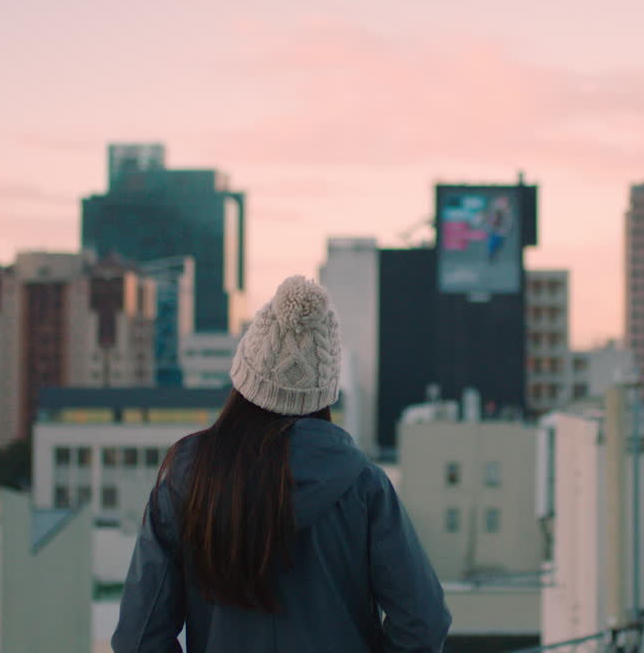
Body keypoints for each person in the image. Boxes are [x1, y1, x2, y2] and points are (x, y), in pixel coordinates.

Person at [113, 276, 450, 652]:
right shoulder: (364, 487)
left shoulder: (188, 480)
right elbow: (422, 623)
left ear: (244, 380)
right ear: (323, 394)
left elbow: (138, 638)